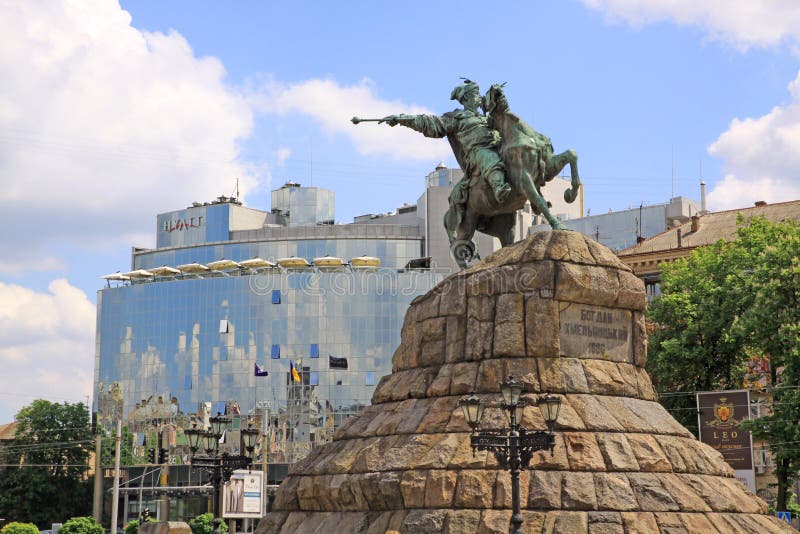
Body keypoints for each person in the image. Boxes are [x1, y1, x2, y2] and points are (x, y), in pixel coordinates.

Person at [380, 79, 511, 205]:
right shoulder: (456, 118)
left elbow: (506, 119)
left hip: (497, 146)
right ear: (466, 98)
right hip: (477, 153)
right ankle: (499, 187)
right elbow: (430, 123)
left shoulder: (486, 118)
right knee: (489, 157)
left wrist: (499, 98)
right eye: (475, 94)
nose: (479, 97)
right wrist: (402, 119)